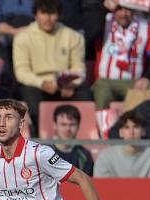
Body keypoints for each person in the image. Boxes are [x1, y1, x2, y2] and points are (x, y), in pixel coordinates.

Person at [13, 0, 92, 131]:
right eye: (43, 13)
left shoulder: (73, 36)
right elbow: (21, 72)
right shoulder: (22, 37)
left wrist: (72, 83)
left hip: (65, 84)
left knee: (84, 93)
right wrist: (42, 83)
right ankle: (39, 135)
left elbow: (79, 68)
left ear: (59, 15)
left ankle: (84, 135)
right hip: (38, 84)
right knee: (30, 92)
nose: (48, 19)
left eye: (52, 13)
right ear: (35, 15)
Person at [92, 1, 150, 110]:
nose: (124, 14)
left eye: (128, 9)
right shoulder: (103, 22)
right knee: (102, 88)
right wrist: (104, 9)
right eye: (120, 9)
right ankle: (104, 125)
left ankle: (134, 123)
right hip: (106, 81)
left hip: (133, 83)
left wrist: (147, 77)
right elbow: (90, 35)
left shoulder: (147, 28)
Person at [94, 110, 150, 177]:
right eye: (127, 127)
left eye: (136, 127)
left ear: (143, 131)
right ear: (120, 132)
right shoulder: (105, 157)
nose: (131, 132)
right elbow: (101, 186)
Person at [50, 104, 94, 176]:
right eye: (63, 124)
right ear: (55, 125)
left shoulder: (84, 156)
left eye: (72, 125)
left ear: (78, 126)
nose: (68, 129)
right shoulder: (43, 152)